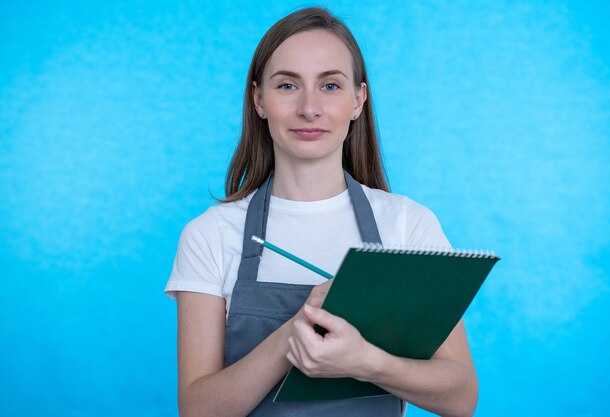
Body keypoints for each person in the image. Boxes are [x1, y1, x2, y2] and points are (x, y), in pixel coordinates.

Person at [165, 7, 478, 417]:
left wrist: (365, 361)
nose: (309, 108)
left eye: (330, 86)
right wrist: (293, 334)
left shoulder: (406, 225)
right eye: (288, 85)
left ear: (358, 100)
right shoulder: (210, 234)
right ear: (259, 99)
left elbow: (460, 398)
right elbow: (197, 410)